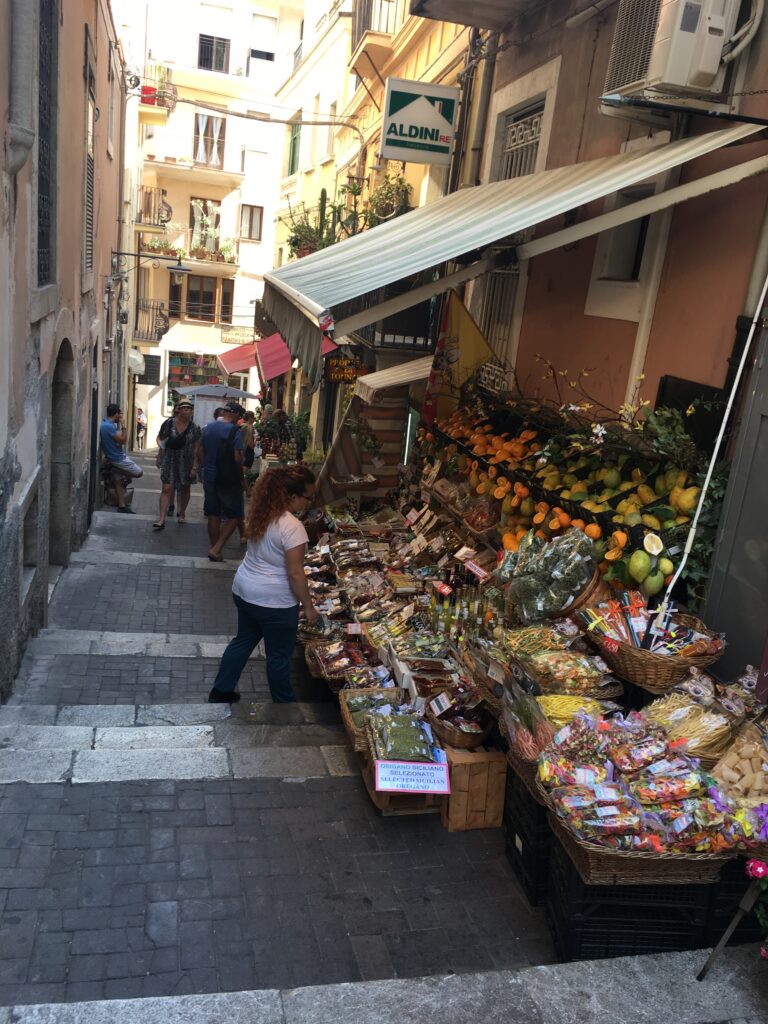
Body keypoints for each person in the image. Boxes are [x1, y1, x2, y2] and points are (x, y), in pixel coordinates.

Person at [208, 466, 320, 704]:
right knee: (278, 655)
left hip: (245, 590)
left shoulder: (263, 512)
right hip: (274, 602)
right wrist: (308, 606)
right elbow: (295, 574)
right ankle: (283, 703)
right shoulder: (293, 527)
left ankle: (221, 690)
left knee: (243, 640)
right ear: (292, 496)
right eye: (307, 498)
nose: (308, 503)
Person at [197, 401, 245, 562]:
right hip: (228, 478)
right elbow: (237, 458)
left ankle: (214, 548)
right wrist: (241, 478)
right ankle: (216, 548)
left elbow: (200, 450)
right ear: (235, 415)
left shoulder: (208, 427)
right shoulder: (234, 431)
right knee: (235, 514)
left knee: (213, 512)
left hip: (210, 475)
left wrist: (205, 467)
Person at [153, 400, 201, 530]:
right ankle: (162, 519)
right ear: (178, 410)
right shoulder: (169, 423)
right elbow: (160, 438)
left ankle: (182, 513)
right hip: (170, 459)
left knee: (185, 488)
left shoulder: (194, 428)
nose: (187, 410)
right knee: (167, 488)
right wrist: (160, 454)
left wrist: (194, 466)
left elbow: (196, 447)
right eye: (184, 408)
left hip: (187, 460)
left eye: (190, 408)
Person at [99, 403, 143, 513]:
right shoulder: (108, 426)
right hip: (117, 459)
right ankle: (112, 468)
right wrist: (124, 425)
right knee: (139, 473)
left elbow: (116, 440)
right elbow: (124, 440)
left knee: (118, 482)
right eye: (120, 414)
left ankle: (122, 506)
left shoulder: (106, 423)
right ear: (116, 414)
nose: (121, 416)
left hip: (113, 457)